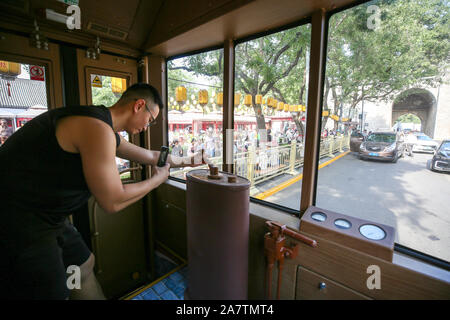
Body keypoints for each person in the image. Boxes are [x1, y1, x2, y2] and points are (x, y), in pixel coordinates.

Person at [0, 83, 209, 300]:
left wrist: (189, 160)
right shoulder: (96, 128)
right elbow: (112, 201)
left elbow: (150, 156)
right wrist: (157, 180)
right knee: (54, 292)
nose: (148, 127)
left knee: (82, 267)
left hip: (50, 215)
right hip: (20, 219)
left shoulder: (102, 125)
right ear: (139, 105)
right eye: (150, 120)